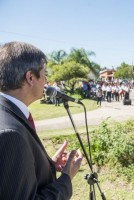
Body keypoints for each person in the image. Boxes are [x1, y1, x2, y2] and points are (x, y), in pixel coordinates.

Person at [0, 41, 83, 199]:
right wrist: (66, 178)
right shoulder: (10, 134)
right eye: (44, 74)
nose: (46, 81)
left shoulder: (8, 113)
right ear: (30, 77)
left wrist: (47, 164)